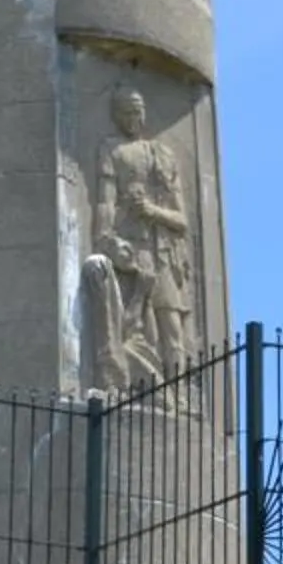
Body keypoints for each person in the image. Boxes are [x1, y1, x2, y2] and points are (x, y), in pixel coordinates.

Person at [82, 85, 194, 386]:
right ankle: (137, 386)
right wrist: (107, 240)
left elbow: (181, 220)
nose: (134, 118)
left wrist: (151, 210)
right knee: (131, 329)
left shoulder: (163, 155)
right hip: (132, 249)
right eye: (127, 112)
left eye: (138, 111)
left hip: (164, 254)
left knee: (172, 328)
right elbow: (105, 204)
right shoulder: (111, 150)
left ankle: (179, 394)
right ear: (117, 116)